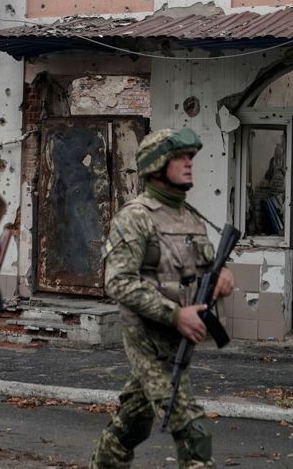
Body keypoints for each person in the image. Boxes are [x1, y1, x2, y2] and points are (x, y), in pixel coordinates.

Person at [90, 127, 235, 469]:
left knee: (132, 424)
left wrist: (220, 279)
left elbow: (195, 273)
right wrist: (174, 314)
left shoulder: (190, 218)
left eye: (190, 157)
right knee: (193, 431)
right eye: (180, 157)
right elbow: (119, 282)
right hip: (149, 341)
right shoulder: (136, 217)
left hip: (179, 340)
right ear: (156, 166)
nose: (189, 164)